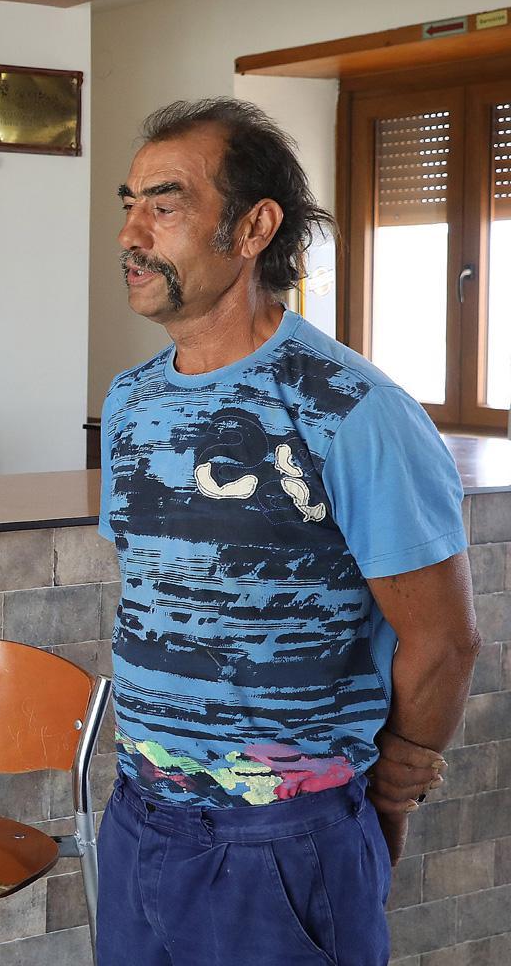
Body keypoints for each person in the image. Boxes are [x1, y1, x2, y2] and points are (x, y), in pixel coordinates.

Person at [96, 98, 478, 964]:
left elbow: (445, 640)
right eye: (129, 204)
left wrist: (395, 788)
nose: (130, 234)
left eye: (164, 205)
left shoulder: (352, 408)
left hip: (286, 838)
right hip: (139, 818)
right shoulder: (131, 402)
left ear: (253, 227)